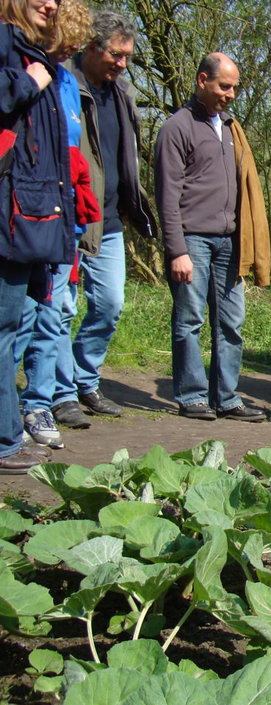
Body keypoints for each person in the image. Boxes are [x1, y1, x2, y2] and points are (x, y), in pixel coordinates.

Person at [154, 53, 270, 422]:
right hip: (192, 240)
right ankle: (192, 396)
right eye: (224, 86)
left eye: (234, 87)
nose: (231, 94)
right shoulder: (177, 127)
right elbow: (167, 196)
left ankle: (227, 397)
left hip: (229, 242)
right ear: (202, 80)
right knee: (190, 320)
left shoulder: (231, 128)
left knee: (231, 322)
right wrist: (177, 250)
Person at [56, 9, 156, 427]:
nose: (122, 63)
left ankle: (84, 378)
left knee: (111, 304)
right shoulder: (64, 83)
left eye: (128, 56)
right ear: (90, 47)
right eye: (116, 55)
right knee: (60, 308)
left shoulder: (123, 93)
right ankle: (61, 395)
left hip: (110, 218)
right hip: (68, 215)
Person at [13, 0, 97, 449]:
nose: (66, 54)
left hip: (63, 213)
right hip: (27, 209)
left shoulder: (66, 82)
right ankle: (13, 408)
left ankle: (38, 403)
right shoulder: (29, 69)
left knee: (55, 314)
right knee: (21, 316)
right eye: (62, 47)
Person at [1, 0, 74, 470]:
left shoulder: (35, 53)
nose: (50, 3)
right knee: (4, 329)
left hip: (33, 214)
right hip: (12, 212)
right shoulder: (8, 45)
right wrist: (31, 81)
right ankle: (6, 438)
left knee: (15, 327)